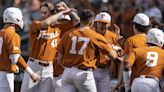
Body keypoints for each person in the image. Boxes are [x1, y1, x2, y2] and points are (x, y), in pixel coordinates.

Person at [21, 1, 79, 92]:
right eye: (42, 12)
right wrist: (61, 13)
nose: (43, 15)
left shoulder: (59, 27)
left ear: (52, 14)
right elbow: (46, 23)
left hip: (48, 68)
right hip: (34, 65)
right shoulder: (35, 24)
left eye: (45, 13)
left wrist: (68, 10)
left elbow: (77, 20)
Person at [57, 9, 117, 92]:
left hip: (67, 72)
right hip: (83, 73)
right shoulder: (95, 36)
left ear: (80, 20)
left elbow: (59, 60)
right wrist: (115, 48)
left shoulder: (68, 34)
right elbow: (113, 56)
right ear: (92, 22)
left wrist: (70, 68)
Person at [0, 7, 40, 92]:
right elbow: (15, 58)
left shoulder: (1, 32)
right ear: (15, 18)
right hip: (4, 76)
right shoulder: (12, 35)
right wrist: (31, 73)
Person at [123, 28, 164, 92]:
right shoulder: (162, 53)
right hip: (153, 83)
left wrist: (127, 85)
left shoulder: (136, 50)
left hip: (137, 82)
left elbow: (127, 66)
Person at [52, 2, 80, 92]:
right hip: (48, 73)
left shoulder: (70, 33)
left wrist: (68, 11)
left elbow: (77, 20)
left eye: (65, 21)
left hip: (63, 74)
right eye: (61, 21)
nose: (63, 23)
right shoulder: (52, 29)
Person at [92, 12, 121, 92]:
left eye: (104, 23)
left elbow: (119, 56)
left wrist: (118, 46)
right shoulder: (91, 33)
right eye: (99, 22)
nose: (101, 25)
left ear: (109, 24)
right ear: (96, 23)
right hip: (91, 69)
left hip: (105, 70)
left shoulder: (113, 36)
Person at [123, 13, 150, 92]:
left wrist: (126, 85)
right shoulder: (153, 40)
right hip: (152, 80)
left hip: (136, 81)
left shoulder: (131, 40)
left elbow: (127, 65)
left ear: (135, 25)